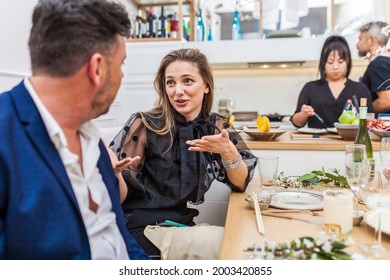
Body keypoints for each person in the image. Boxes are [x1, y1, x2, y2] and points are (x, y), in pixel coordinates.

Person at [0, 0, 149, 260]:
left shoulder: (94, 140)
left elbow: (120, 239)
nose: (122, 76)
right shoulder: (5, 136)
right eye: (121, 64)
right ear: (98, 68)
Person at [109, 48, 257, 258]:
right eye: (170, 82)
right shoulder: (144, 124)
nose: (177, 90)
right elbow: (120, 197)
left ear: (206, 85)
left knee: (240, 240)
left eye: (187, 81)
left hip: (180, 226)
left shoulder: (215, 126)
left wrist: (229, 154)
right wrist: (114, 175)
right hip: (143, 229)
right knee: (234, 245)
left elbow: (241, 183)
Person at [291, 35, 373, 128]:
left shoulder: (360, 89)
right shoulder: (310, 88)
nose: (335, 67)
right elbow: (297, 123)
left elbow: (370, 121)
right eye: (330, 62)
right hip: (317, 141)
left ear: (348, 62)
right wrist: (303, 114)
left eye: (340, 61)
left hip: (351, 141)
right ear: (323, 63)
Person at [356, 21, 390, 114]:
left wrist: (361, 113)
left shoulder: (378, 64)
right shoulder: (384, 62)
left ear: (372, 40)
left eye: (360, 39)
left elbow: (387, 101)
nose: (357, 44)